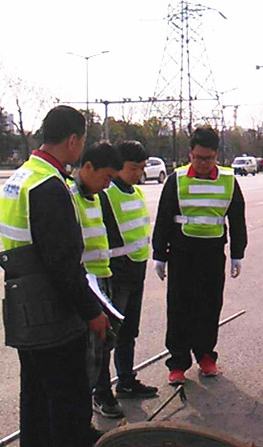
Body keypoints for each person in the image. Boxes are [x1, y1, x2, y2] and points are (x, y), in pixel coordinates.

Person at [0, 105, 110, 447]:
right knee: (67, 398)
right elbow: (62, 264)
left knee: (35, 395)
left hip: (23, 302)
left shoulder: (20, 178)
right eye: (82, 141)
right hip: (52, 310)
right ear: (73, 140)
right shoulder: (49, 185)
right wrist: (92, 311)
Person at [152, 126, 247, 385]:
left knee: (210, 304)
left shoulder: (229, 180)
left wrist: (237, 253)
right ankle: (178, 362)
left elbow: (237, 219)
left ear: (217, 155)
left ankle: (206, 355)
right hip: (182, 252)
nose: (203, 163)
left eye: (209, 158)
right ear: (190, 154)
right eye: (198, 158)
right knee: (179, 306)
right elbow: (163, 217)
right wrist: (159, 254)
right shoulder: (177, 179)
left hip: (212, 252)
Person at [98, 140, 159, 401]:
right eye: (133, 168)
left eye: (142, 168)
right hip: (115, 274)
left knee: (129, 332)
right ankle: (101, 392)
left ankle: (126, 380)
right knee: (108, 336)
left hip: (137, 269)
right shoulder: (105, 194)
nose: (139, 173)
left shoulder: (136, 192)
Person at [68, 142, 125, 419]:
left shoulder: (97, 196)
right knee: (85, 351)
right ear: (88, 167)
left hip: (102, 280)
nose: (108, 184)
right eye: (106, 177)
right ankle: (91, 401)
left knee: (102, 345)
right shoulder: (68, 195)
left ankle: (99, 393)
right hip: (83, 284)